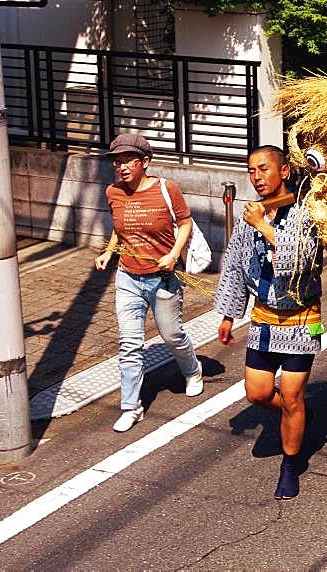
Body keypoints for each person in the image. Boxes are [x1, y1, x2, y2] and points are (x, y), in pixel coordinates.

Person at [214, 145, 324, 499]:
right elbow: (234, 264)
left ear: (285, 171)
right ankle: (299, 414)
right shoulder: (251, 215)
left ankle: (290, 465)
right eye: (251, 171)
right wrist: (230, 314)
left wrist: (263, 223)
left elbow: (301, 260)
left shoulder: (308, 212)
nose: (257, 177)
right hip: (263, 318)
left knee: (291, 396)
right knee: (257, 393)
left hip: (301, 319)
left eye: (263, 169)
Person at [94, 133, 203, 433]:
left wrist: (173, 253)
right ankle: (131, 407)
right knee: (129, 344)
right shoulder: (113, 193)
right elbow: (120, 229)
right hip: (128, 278)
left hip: (163, 278)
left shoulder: (167, 189)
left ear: (145, 162)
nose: (122, 166)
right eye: (118, 161)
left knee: (172, 335)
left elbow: (185, 223)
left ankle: (193, 370)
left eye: (128, 159)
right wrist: (108, 252)